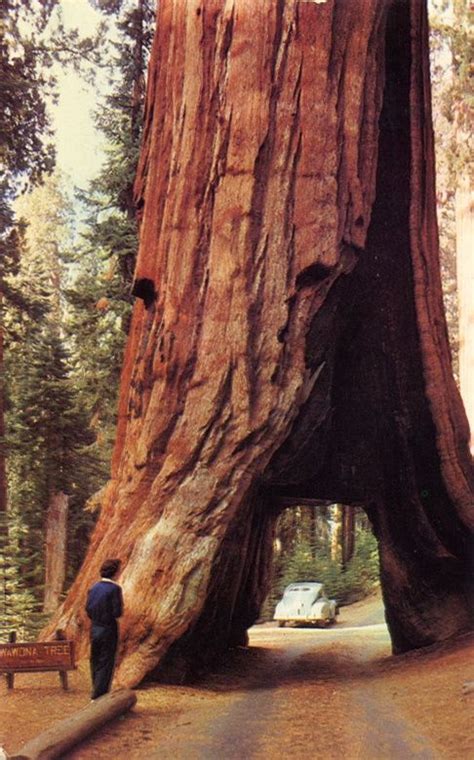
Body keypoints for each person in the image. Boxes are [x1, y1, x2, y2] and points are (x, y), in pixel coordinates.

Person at [86, 558, 123, 700]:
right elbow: (117, 612)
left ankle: (96, 688)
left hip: (95, 628)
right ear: (115, 572)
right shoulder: (115, 589)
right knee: (106, 661)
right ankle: (99, 695)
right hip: (109, 629)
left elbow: (88, 609)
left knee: (95, 659)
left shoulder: (93, 588)